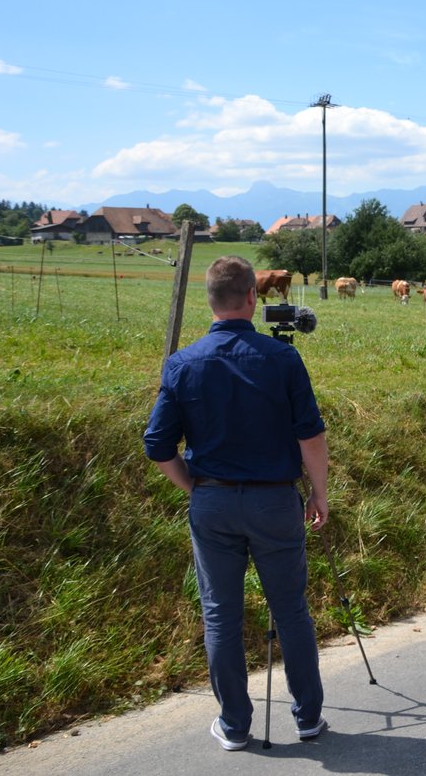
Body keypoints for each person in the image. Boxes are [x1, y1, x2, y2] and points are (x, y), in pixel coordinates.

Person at [142, 256, 329, 751]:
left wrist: (195, 488)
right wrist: (319, 493)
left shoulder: (182, 363)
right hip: (275, 503)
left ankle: (234, 725)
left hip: (212, 502)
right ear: (252, 296)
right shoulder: (283, 359)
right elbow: (310, 435)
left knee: (221, 615)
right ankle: (308, 718)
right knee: (291, 611)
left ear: (210, 300)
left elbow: (157, 445)